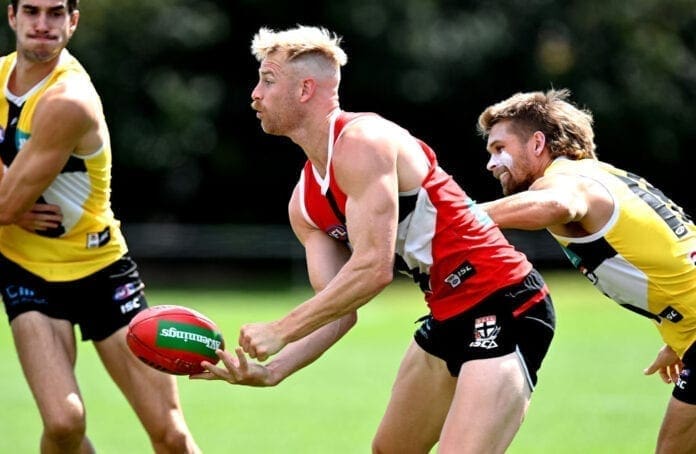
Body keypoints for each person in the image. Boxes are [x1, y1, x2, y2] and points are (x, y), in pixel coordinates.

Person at [191, 25, 556, 453]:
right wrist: (273, 371)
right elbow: (339, 309)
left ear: (306, 89)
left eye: (268, 80)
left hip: (505, 300)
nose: (255, 94)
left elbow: (372, 269)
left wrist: (282, 329)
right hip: (447, 314)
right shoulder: (304, 204)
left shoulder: (364, 142)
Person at [0, 1, 201, 452]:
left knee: (170, 435)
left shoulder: (68, 100)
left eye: (56, 13)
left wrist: (11, 204)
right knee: (65, 423)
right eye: (31, 11)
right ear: (11, 16)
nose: (42, 24)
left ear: (73, 21)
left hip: (99, 268)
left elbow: (7, 206)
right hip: (25, 269)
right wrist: (10, 202)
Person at [476, 88, 696, 453]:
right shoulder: (601, 174)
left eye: (500, 148)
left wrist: (460, 214)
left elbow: (559, 203)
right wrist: (680, 335)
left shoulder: (564, 181)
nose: (492, 163)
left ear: (537, 143)